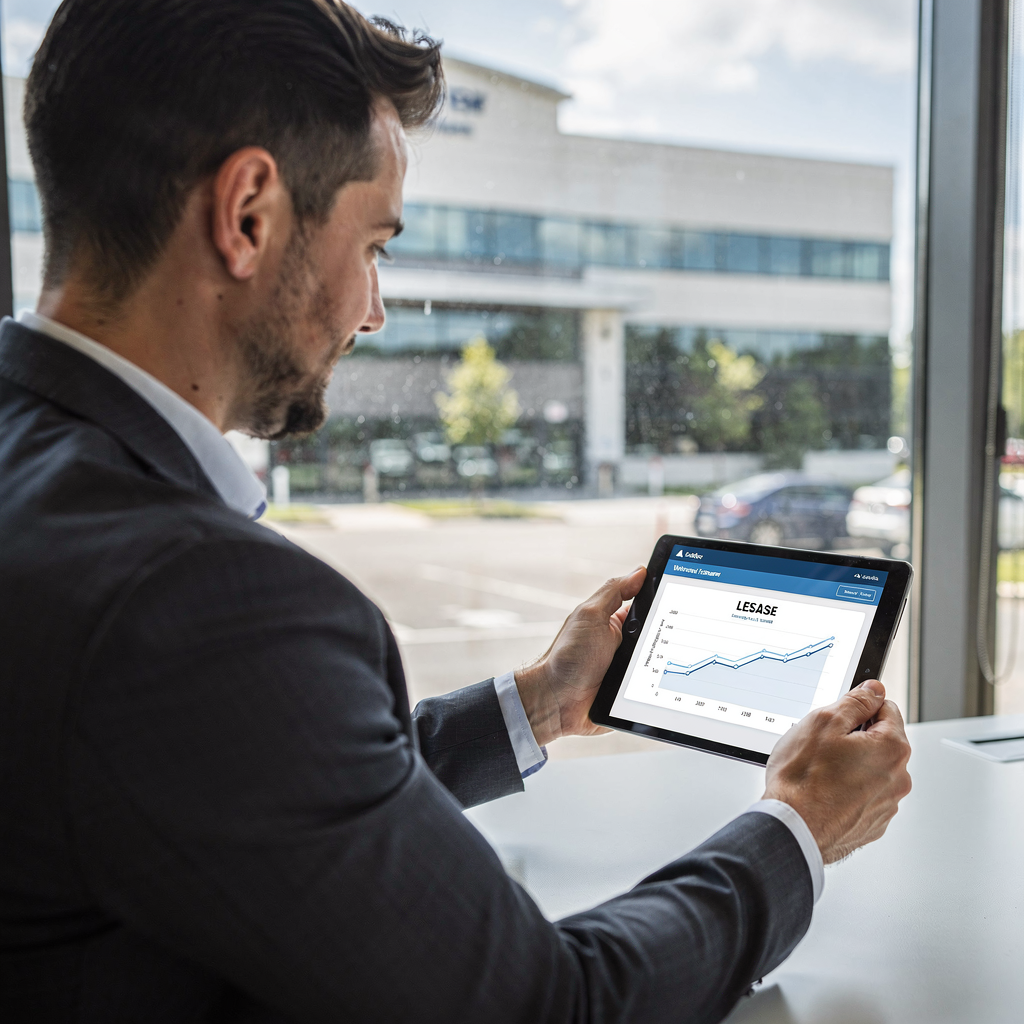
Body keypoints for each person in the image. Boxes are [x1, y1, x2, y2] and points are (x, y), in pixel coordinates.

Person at [0, 1, 912, 1021]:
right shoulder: (190, 598)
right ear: (248, 212)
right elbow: (548, 1005)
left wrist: (536, 701)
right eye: (375, 243)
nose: (372, 307)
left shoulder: (36, 477)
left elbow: (240, 779)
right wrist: (796, 825)